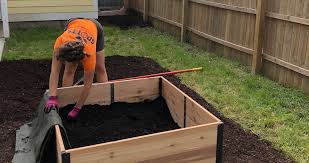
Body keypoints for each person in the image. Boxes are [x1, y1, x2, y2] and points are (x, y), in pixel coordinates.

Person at [44, 18, 108, 120]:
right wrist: (52, 97)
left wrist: (77, 108)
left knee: (100, 68)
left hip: (94, 27)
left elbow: (88, 85)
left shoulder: (89, 55)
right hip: (73, 22)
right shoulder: (59, 43)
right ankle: (67, 102)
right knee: (69, 70)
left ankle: (105, 100)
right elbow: (54, 72)